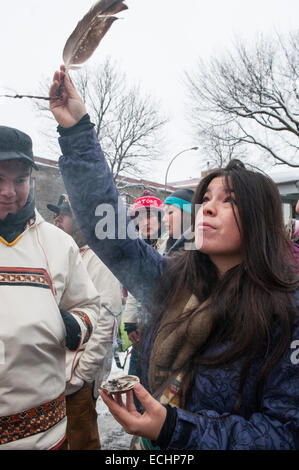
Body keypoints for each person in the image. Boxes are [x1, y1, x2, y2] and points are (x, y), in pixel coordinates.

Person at [50, 67, 298, 450]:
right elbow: (110, 233)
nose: (208, 209)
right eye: (206, 199)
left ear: (261, 221)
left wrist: (173, 428)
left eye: (228, 201)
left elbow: (284, 433)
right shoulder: (170, 281)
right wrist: (77, 132)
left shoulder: (285, 311)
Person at [0, 125, 99, 450]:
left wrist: (69, 326)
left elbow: (91, 307)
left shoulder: (58, 244)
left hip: (42, 436)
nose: (9, 191)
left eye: (19, 180)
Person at [47, 194, 122, 450]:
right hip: (54, 374)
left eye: (64, 214)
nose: (56, 219)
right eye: (56, 214)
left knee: (82, 442)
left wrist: (82, 376)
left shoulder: (100, 259)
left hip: (76, 378)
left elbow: (105, 321)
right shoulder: (65, 252)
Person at [123, 191, 164, 409]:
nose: (145, 222)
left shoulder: (170, 247)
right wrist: (130, 322)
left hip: (164, 333)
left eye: (150, 216)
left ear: (160, 219)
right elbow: (133, 289)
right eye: (140, 217)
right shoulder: (136, 249)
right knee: (137, 389)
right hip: (142, 333)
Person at [162, 188, 194, 254]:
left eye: (170, 212)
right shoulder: (164, 245)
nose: (163, 219)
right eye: (164, 213)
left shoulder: (196, 254)